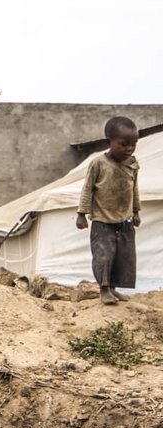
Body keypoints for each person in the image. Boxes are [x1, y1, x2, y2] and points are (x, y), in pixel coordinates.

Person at [77, 116, 141, 305]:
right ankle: (104, 289)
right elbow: (87, 188)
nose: (129, 148)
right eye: (124, 144)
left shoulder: (132, 164)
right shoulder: (99, 164)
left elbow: (134, 188)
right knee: (104, 255)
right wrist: (81, 213)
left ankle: (114, 288)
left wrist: (136, 211)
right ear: (109, 142)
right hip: (102, 220)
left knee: (123, 256)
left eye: (134, 144)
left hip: (125, 220)